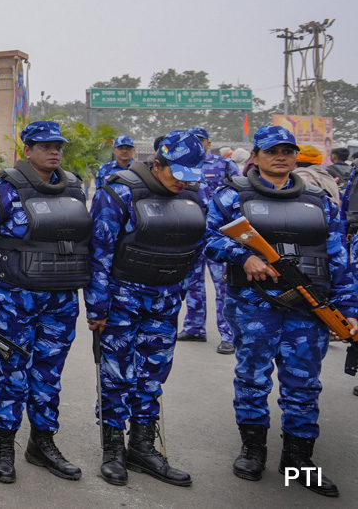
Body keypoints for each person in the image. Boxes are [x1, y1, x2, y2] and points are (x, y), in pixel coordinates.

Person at [204, 125, 358, 498]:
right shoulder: (231, 196)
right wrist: (245, 256)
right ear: (255, 156)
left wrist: (349, 306)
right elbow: (208, 238)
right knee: (253, 378)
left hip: (308, 305)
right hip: (255, 303)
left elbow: (338, 255)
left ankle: (297, 463)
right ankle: (253, 451)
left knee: (303, 384)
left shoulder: (319, 199)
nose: (281, 156)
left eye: (287, 151)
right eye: (272, 151)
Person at [0, 120, 90, 484]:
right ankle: (3, 445)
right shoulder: (2, 190)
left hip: (62, 298)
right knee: (12, 374)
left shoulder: (75, 188)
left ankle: (42, 444)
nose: (54, 151)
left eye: (58, 146)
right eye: (44, 145)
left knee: (49, 374)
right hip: (15, 299)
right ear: (27, 149)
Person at [86, 130, 207, 487]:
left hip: (165, 301)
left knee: (153, 374)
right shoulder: (119, 191)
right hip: (122, 301)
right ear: (157, 164)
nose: (183, 184)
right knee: (115, 375)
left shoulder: (193, 195)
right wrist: (97, 307)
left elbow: (197, 245)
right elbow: (100, 253)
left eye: (190, 176)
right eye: (177, 175)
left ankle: (142, 446)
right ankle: (112, 449)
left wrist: (180, 290)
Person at [178, 127, 240, 353]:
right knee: (192, 284)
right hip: (192, 233)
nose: (198, 144)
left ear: (208, 143)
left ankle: (228, 334)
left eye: (201, 140)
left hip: (219, 234)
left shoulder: (224, 164)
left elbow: (239, 194)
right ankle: (194, 328)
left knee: (223, 284)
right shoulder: (183, 166)